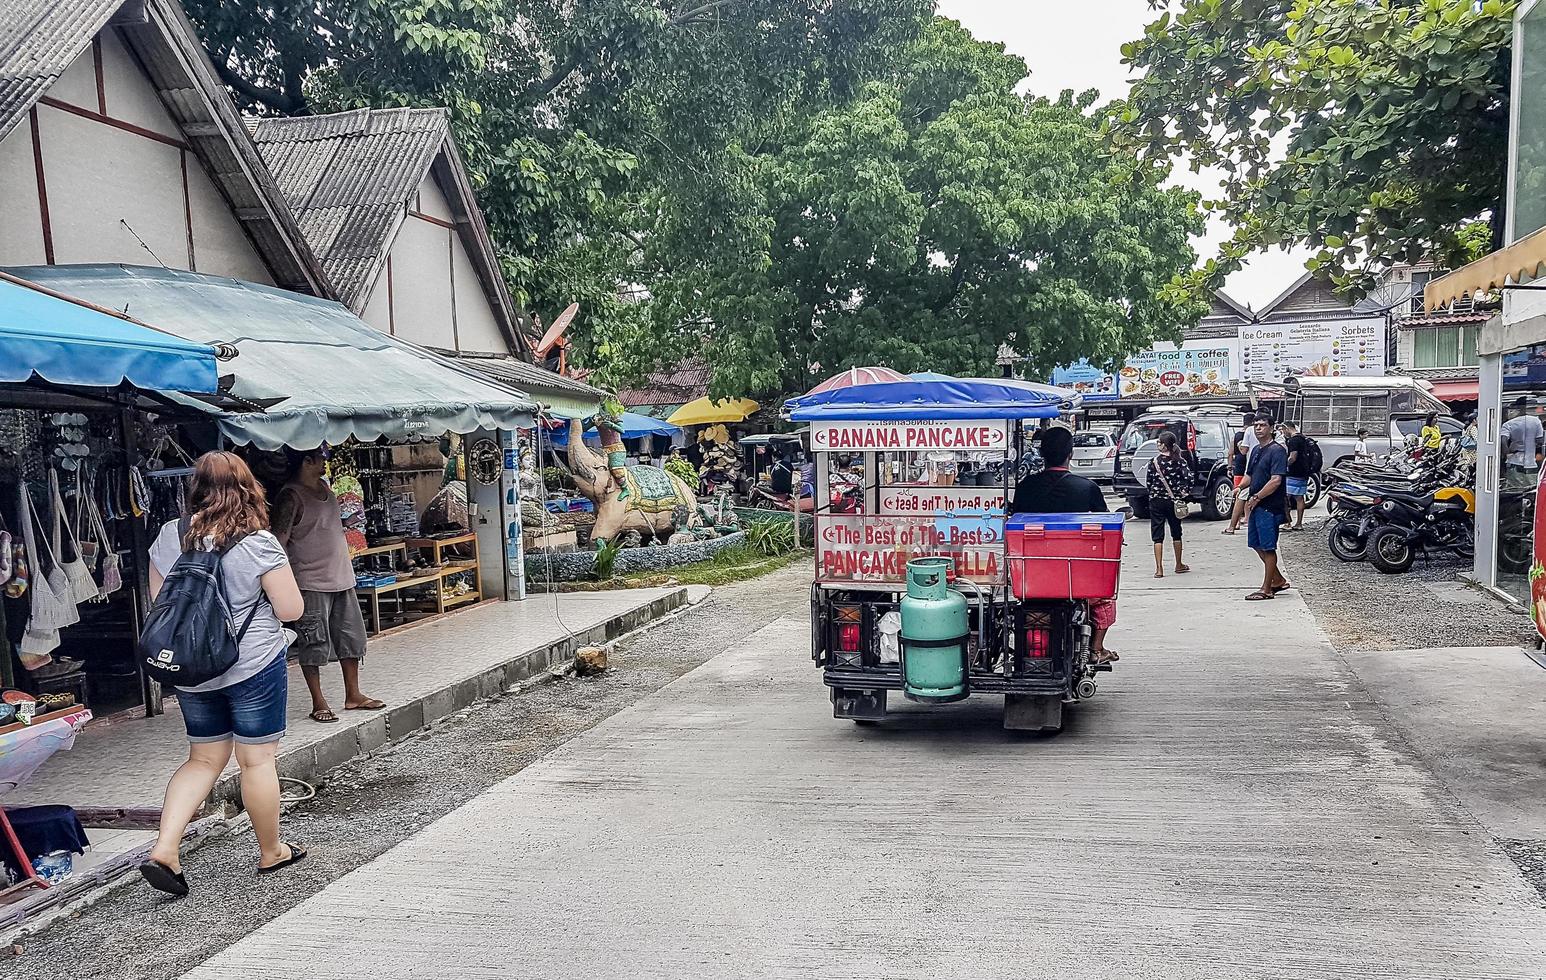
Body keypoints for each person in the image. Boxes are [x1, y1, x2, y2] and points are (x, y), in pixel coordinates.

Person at [140, 452, 307, 896]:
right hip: (252, 666)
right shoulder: (258, 543)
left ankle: (165, 848)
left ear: (194, 489)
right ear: (248, 488)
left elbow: (165, 606)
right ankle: (272, 852)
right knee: (256, 760)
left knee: (201, 759)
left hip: (193, 671)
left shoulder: (168, 536)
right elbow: (291, 610)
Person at [271, 448, 383, 723]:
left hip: (342, 578)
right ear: (306, 461)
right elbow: (278, 542)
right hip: (310, 582)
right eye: (320, 458)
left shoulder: (325, 487)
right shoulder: (290, 496)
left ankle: (353, 694)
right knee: (314, 643)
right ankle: (318, 701)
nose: (325, 463)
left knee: (352, 639)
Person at [1011, 426, 1118, 663]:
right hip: (1075, 576)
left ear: (1042, 454)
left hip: (1031, 576)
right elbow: (1105, 524)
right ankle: (1096, 649)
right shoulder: (1087, 487)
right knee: (1105, 598)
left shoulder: (1025, 486)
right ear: (1070, 454)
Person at [1242, 415, 1291, 601]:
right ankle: (1277, 579)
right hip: (1255, 503)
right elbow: (1250, 476)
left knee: (1268, 546)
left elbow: (1276, 480)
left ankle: (1267, 588)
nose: (1258, 428)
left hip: (1269, 506)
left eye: (1263, 425)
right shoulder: (1255, 450)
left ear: (1272, 428)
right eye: (1256, 425)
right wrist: (1239, 487)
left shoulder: (1277, 451)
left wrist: (1257, 497)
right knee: (1255, 543)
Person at [1144, 430, 1192, 577]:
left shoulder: (1154, 462)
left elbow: (1148, 482)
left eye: (1159, 442)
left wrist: (1154, 492)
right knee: (1176, 532)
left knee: (1157, 535)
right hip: (1174, 501)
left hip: (1156, 500)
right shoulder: (1180, 461)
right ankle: (1178, 564)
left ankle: (1159, 568)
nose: (1158, 444)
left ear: (1165, 446)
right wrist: (1182, 494)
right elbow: (1189, 480)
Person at [1223, 413, 1257, 535]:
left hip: (1239, 467)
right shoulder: (1255, 434)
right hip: (1250, 467)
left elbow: (1230, 452)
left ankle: (1236, 523)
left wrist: (1229, 466)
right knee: (1249, 494)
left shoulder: (1237, 435)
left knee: (1239, 493)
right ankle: (1247, 517)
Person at [1500, 397, 1543, 487]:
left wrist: (1507, 453)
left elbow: (1503, 441)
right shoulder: (1536, 421)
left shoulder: (1509, 424)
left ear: (1518, 409)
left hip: (1514, 461)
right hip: (1531, 462)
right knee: (1532, 489)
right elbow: (1539, 441)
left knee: (1514, 489)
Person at [1280, 419, 1311, 531]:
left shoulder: (1293, 441)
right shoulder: (1303, 438)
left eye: (1283, 431)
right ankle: (1299, 523)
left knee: (1285, 498)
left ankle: (1287, 522)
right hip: (1304, 472)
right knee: (1299, 498)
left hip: (1293, 472)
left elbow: (1293, 457)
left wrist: (1283, 466)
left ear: (1286, 428)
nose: (1283, 433)